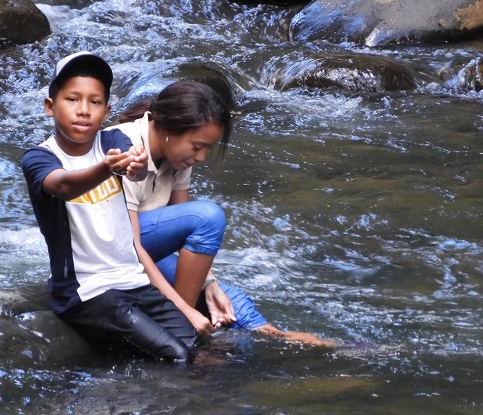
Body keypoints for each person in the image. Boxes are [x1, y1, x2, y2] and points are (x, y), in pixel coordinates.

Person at [109, 80, 334, 347]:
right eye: (197, 147)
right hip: (116, 251)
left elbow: (180, 226)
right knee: (208, 217)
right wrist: (184, 310)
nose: (201, 157)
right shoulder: (126, 148)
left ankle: (333, 351)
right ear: (169, 129)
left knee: (234, 306)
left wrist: (209, 282)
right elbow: (132, 244)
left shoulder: (178, 155)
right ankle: (181, 328)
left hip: (149, 251)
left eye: (207, 149)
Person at [21, 52, 202, 363]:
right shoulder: (39, 158)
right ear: (50, 107)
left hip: (134, 281)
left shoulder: (111, 140)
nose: (83, 111)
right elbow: (64, 186)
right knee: (176, 356)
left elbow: (136, 164)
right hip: (88, 293)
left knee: (194, 345)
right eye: (72, 99)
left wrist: (136, 164)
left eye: (94, 102)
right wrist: (109, 168)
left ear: (106, 111)